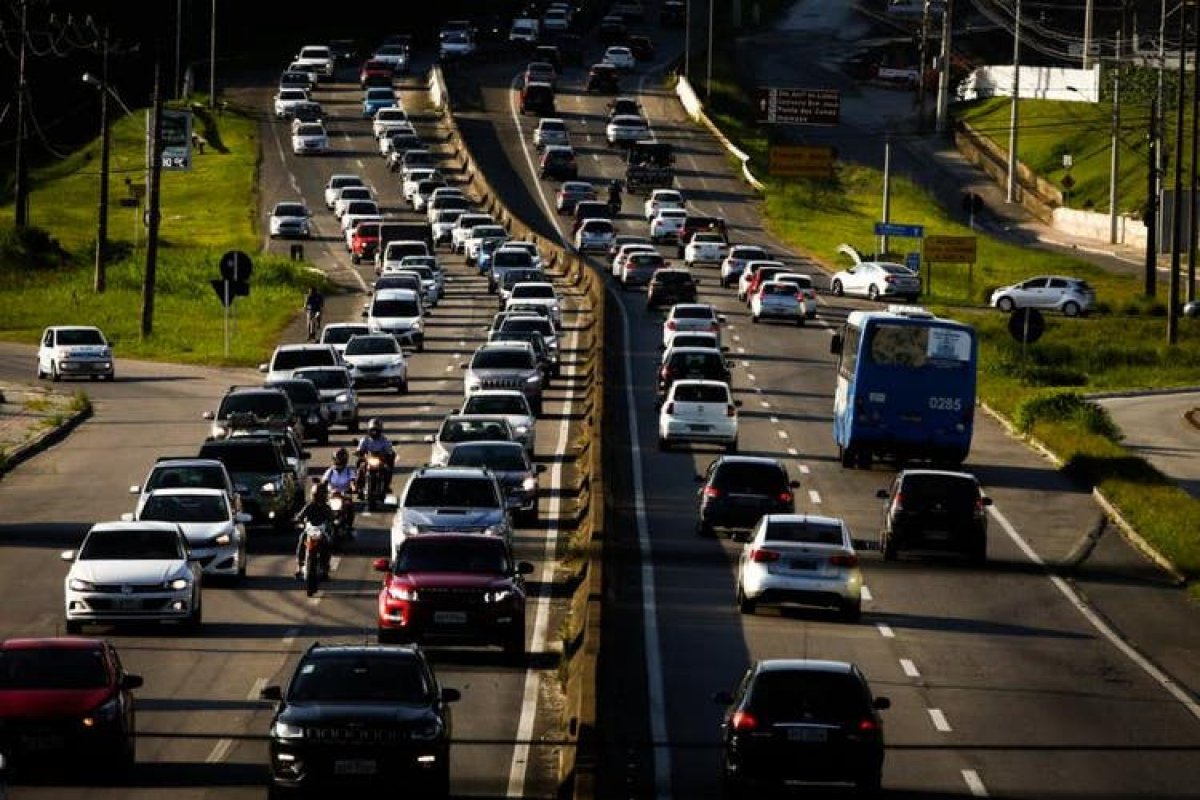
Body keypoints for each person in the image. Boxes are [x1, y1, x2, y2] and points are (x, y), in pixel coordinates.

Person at [294, 483, 333, 577]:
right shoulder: (309, 506)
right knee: (302, 539)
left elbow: (332, 518)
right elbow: (300, 516)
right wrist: (298, 520)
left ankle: (325, 567)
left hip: (322, 530)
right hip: (310, 530)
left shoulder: (326, 507)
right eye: (317, 494)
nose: (319, 497)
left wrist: (332, 523)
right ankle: (300, 565)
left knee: (327, 543)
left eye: (321, 494)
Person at [321, 448, 358, 534]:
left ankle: (349, 525)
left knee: (349, 505)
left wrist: (354, 488)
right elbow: (324, 482)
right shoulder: (330, 471)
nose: (339, 460)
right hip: (331, 495)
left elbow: (352, 481)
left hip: (344, 496)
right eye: (337, 458)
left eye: (341, 458)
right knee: (322, 507)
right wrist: (321, 488)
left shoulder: (349, 471)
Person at [355, 418, 396, 495]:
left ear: (380, 431)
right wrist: (359, 452)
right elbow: (359, 449)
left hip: (380, 461)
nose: (374, 432)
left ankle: (386, 486)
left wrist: (389, 454)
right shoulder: (365, 440)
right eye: (372, 430)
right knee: (360, 467)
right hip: (368, 460)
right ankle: (358, 486)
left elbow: (389, 450)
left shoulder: (384, 440)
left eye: (376, 430)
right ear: (369, 430)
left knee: (387, 469)